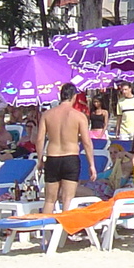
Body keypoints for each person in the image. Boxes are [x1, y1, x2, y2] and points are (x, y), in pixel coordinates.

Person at [36, 83, 97, 216]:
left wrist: (40, 160)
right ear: (74, 96)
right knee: (68, 200)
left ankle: (45, 235)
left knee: (50, 200)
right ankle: (65, 234)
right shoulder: (79, 116)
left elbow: (40, 139)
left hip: (52, 157)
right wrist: (91, 164)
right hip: (70, 158)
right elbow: (87, 142)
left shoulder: (47, 114)